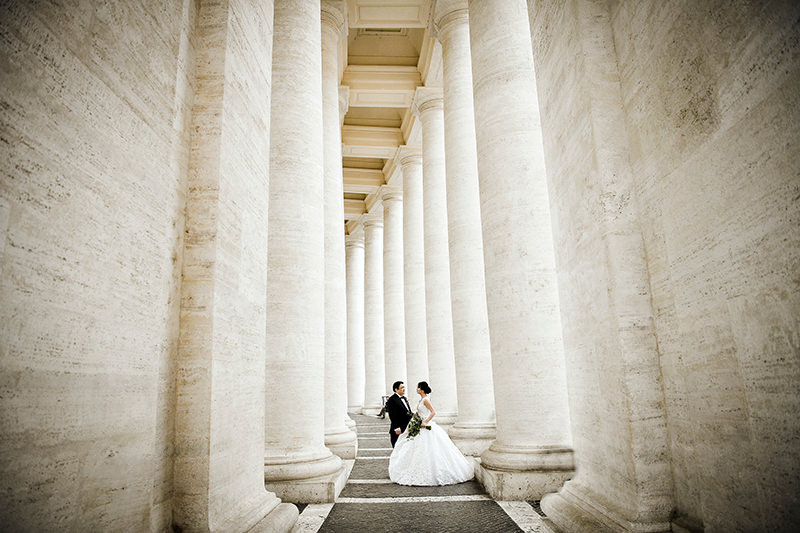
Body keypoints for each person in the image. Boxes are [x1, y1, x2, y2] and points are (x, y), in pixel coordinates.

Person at [388, 381, 474, 485]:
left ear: (422, 389)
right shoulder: (420, 399)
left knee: (429, 449)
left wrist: (425, 422)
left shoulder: (426, 400)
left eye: (418, 388)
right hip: (418, 425)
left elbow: (433, 412)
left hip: (425, 426)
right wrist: (415, 417)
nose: (416, 389)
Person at [385, 381, 413, 448]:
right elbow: (392, 415)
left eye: (404, 387)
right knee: (397, 447)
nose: (404, 389)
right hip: (398, 429)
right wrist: (396, 428)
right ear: (396, 389)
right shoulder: (392, 400)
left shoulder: (404, 398)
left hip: (406, 428)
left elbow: (407, 412)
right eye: (402, 387)